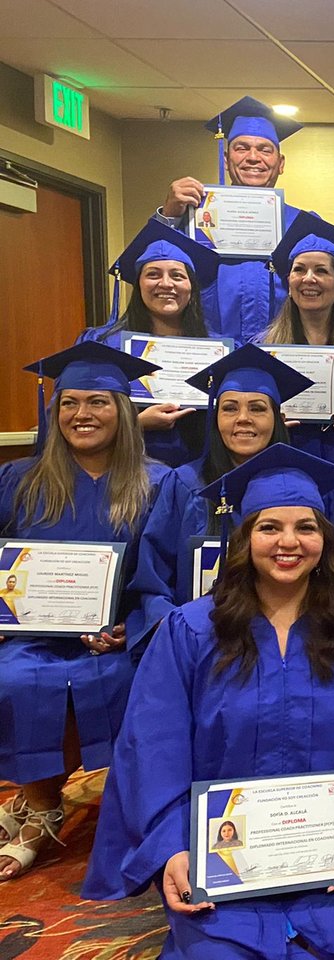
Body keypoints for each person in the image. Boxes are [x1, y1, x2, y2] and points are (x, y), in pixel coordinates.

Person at [83, 444, 334, 956]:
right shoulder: (190, 631)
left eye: (306, 528)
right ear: (243, 540)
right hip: (220, 866)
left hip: (332, 866)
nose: (288, 542)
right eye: (269, 527)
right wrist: (172, 847)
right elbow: (153, 747)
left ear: (326, 540)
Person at [0, 343, 170, 881]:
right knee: (15, 677)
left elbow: (161, 574)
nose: (82, 414)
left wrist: (129, 629)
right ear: (55, 413)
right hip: (30, 636)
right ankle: (40, 802)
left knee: (122, 677)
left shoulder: (157, 482)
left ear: (122, 411)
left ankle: (76, 807)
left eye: (98, 401)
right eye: (69, 403)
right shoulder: (21, 479)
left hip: (113, 633)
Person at [128, 345, 334, 639]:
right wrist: (175, 631)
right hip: (199, 639)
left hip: (294, 638)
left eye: (257, 408)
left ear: (277, 417)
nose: (243, 418)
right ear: (215, 418)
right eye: (230, 408)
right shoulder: (184, 484)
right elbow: (153, 580)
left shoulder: (310, 488)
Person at [153, 97, 304, 342]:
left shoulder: (301, 225)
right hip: (208, 349)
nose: (253, 157)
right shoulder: (193, 218)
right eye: (242, 148)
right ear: (226, 159)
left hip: (281, 351)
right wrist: (169, 215)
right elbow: (154, 268)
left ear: (280, 163)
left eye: (265, 149)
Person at [83, 222, 222, 467]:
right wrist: (137, 424)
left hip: (201, 475)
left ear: (191, 288)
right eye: (153, 274)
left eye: (177, 275)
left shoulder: (217, 349)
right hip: (124, 472)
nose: (166, 284)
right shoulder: (104, 345)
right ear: (139, 286)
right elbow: (77, 415)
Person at [257, 212, 334, 472]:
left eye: (321, 271)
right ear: (289, 283)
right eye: (299, 270)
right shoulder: (262, 348)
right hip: (281, 470)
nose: (308, 278)